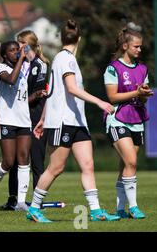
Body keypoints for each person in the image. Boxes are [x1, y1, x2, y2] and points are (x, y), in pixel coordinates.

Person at [27, 19, 120, 223]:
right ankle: (34, 208)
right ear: (79, 38)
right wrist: (100, 102)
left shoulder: (65, 59)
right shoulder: (66, 59)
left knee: (88, 165)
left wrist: (42, 119)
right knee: (56, 167)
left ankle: (95, 211)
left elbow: (52, 93)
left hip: (77, 122)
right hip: (63, 122)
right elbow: (71, 88)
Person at [104, 26, 153, 219]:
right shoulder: (113, 68)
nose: (140, 50)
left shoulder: (142, 69)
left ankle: (120, 209)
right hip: (117, 119)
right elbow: (112, 97)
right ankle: (133, 207)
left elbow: (142, 99)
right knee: (131, 161)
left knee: (126, 166)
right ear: (125, 46)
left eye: (141, 47)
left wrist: (144, 95)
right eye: (136, 46)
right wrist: (137, 92)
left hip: (137, 120)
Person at [0, 41, 32, 211]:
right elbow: (11, 80)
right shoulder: (0, 68)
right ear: (4, 55)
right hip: (7, 120)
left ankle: (21, 202)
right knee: (9, 161)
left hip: (24, 120)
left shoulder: (23, 67)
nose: (16, 53)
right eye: (11, 51)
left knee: (24, 159)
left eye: (17, 50)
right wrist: (22, 59)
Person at [3, 31, 50, 211]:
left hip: (34, 115)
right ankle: (13, 198)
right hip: (19, 116)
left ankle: (37, 199)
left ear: (27, 45)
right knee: (16, 160)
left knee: (36, 159)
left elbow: (34, 93)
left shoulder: (40, 64)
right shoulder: (21, 64)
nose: (16, 48)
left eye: (20, 44)